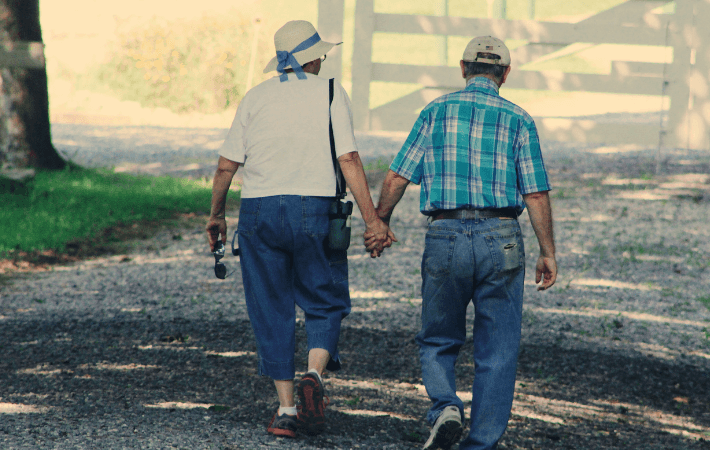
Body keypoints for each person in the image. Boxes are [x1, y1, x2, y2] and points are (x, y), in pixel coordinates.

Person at [370, 36, 557, 450]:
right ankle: (480, 444)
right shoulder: (519, 119)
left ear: (462, 68)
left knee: (438, 336)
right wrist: (548, 251)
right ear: (505, 74)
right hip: (502, 237)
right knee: (499, 348)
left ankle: (444, 407)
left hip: (446, 233)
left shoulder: (434, 112)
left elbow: (397, 176)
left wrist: (379, 222)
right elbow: (537, 194)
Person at [205, 20, 390, 439]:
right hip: (315, 208)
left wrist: (216, 215)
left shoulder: (255, 97)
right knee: (324, 299)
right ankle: (315, 375)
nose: (323, 59)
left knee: (271, 308)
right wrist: (372, 220)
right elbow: (349, 159)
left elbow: (225, 165)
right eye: (321, 53)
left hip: (259, 212)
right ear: (311, 57)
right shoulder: (329, 92)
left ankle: (287, 409)